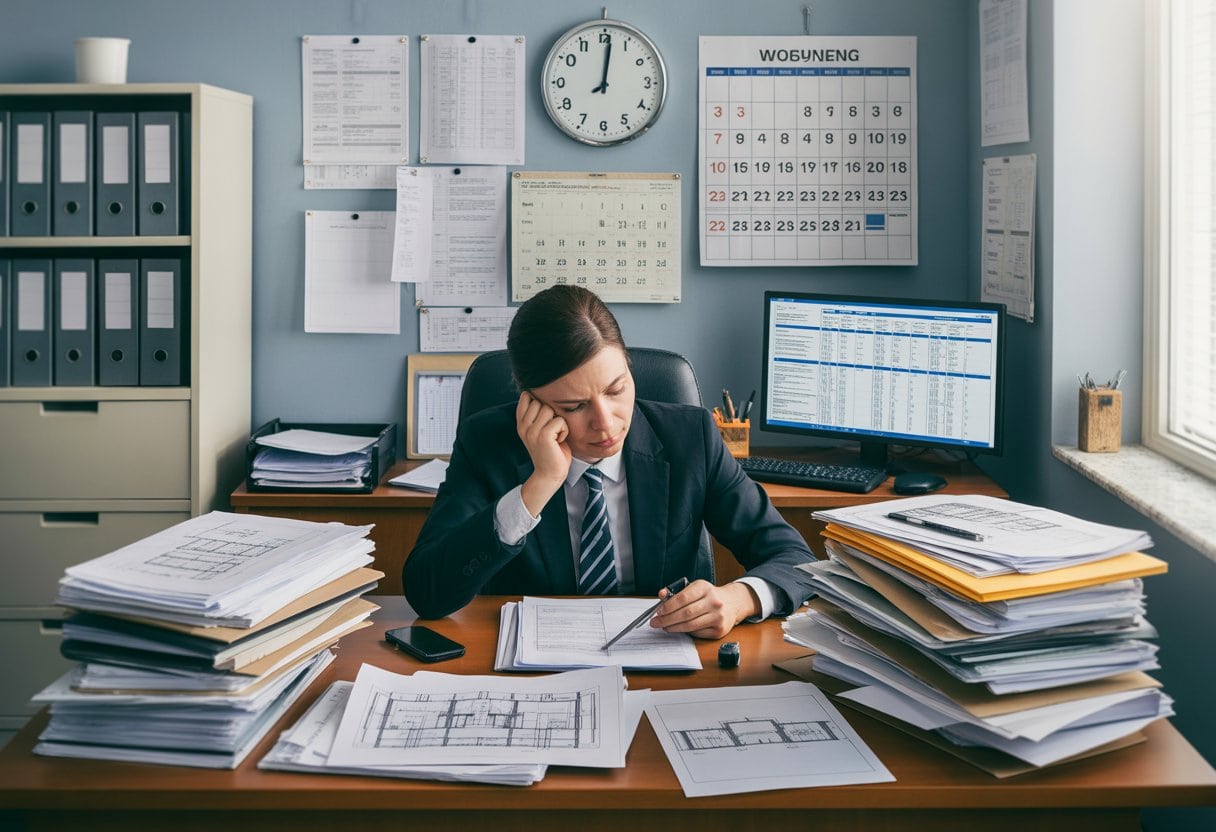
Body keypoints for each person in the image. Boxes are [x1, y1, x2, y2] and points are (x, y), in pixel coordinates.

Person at [403, 285, 813, 638]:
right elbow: (427, 592)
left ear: (628, 367)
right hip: (533, 670)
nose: (605, 422)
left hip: (664, 656)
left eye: (616, 390)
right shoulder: (487, 443)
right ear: (530, 403)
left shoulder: (691, 438)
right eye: (574, 406)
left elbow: (795, 558)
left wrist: (740, 598)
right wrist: (539, 485)